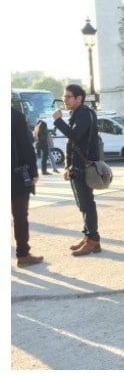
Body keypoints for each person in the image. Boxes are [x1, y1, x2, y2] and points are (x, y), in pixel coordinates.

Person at [52, 84, 102, 256]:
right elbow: (71, 144)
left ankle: (93, 240)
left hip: (84, 166)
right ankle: (88, 237)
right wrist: (67, 166)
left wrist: (58, 120)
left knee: (87, 203)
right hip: (77, 166)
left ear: (78, 98)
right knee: (83, 204)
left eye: (68, 97)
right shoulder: (78, 113)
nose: (64, 100)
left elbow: (74, 136)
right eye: (64, 96)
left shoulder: (85, 114)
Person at [12, 106, 43, 267]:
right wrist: (33, 171)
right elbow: (25, 145)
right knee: (20, 216)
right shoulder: (15, 116)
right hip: (15, 175)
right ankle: (23, 254)